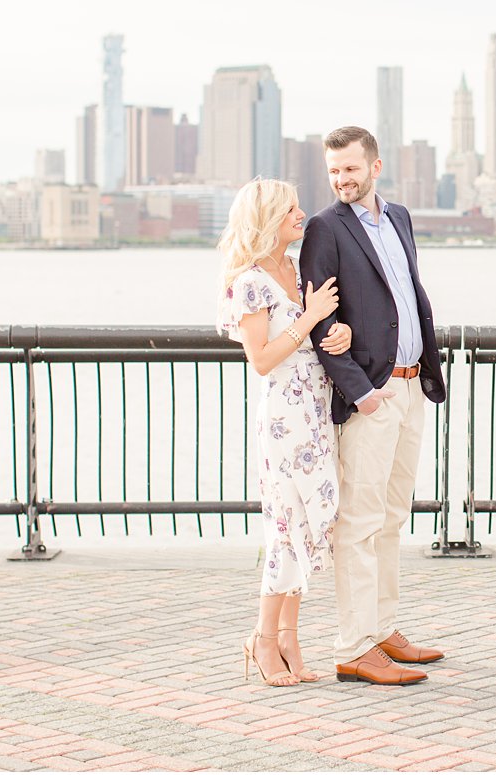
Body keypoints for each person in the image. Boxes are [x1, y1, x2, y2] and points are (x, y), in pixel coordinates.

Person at [300, 126, 448, 687]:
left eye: (351, 169)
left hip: (411, 388)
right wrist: (361, 392)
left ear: (376, 166)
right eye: (334, 171)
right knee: (359, 524)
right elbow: (321, 323)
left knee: (392, 517)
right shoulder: (324, 229)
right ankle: (353, 647)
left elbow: (406, 294)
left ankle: (383, 630)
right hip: (371, 396)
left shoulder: (401, 218)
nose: (342, 180)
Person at [217, 178, 353, 688]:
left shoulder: (296, 270)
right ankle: (263, 638)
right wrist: (312, 319)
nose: (302, 214)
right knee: (284, 526)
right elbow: (262, 359)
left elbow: (316, 335)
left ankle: (291, 637)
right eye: (291, 208)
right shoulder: (250, 281)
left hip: (317, 412)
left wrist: (338, 330)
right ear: (269, 218)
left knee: (309, 523)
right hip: (284, 419)